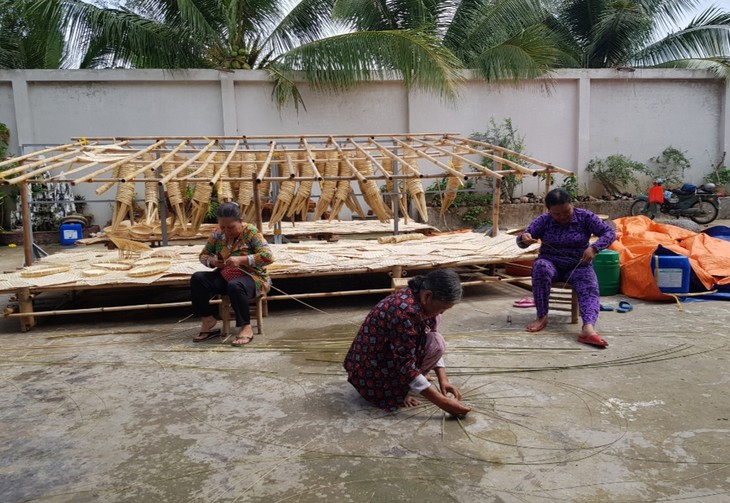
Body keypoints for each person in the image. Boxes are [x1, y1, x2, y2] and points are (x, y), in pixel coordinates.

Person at [343, 268, 471, 416]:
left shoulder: (419, 298)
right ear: (427, 295)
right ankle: (393, 392)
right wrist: (444, 403)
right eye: (442, 308)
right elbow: (405, 366)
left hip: (385, 358)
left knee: (435, 340)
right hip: (369, 375)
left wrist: (444, 379)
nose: (442, 312)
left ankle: (412, 382)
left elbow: (426, 337)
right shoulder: (405, 314)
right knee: (435, 343)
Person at [516, 188, 616, 348]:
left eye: (566, 211)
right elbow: (523, 238)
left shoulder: (585, 217)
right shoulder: (544, 220)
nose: (562, 216)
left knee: (589, 285)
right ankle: (542, 316)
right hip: (551, 264)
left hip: (578, 264)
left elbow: (609, 233)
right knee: (540, 266)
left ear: (572, 205)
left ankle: (588, 328)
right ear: (549, 211)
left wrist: (594, 248)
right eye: (557, 214)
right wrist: (524, 238)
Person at [190, 202, 274, 346]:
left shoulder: (251, 232)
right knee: (198, 278)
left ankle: (246, 327)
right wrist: (214, 262)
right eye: (223, 227)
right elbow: (203, 255)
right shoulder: (217, 233)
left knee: (235, 285)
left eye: (231, 227)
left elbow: (268, 256)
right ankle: (208, 319)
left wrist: (242, 259)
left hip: (252, 278)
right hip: (225, 275)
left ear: (240, 221)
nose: (226, 231)